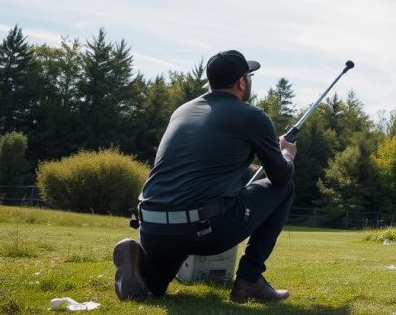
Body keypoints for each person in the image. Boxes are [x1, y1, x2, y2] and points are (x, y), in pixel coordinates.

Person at [112, 50, 296, 304]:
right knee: (286, 188)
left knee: (153, 287)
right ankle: (249, 280)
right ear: (242, 82)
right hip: (203, 229)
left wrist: (250, 172)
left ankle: (137, 263)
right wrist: (286, 154)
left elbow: (202, 169)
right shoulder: (253, 117)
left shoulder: (182, 111)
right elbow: (281, 178)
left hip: (153, 225)